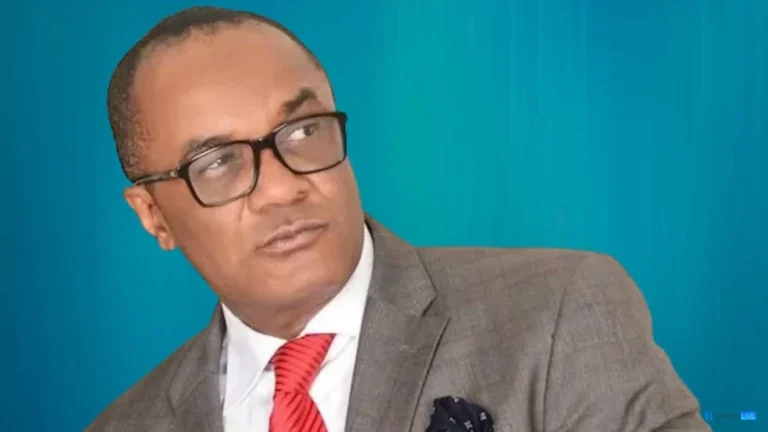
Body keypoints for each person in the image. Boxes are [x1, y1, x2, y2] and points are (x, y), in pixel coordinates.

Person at [87, 6, 711, 432]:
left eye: (302, 131)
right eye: (218, 163)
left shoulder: (558, 315)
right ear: (153, 216)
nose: (281, 188)